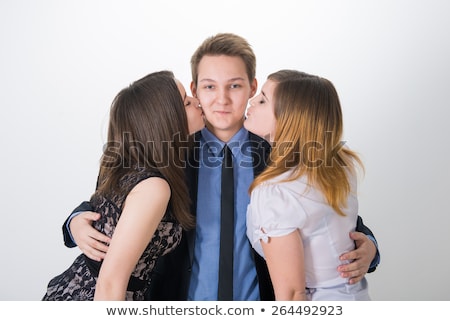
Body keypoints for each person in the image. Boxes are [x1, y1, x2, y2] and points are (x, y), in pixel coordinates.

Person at [62, 33, 379, 301]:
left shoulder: (283, 150)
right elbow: (113, 199)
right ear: (194, 89)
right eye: (210, 87)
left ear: (253, 87)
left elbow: (323, 211)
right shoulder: (164, 151)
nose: (222, 99)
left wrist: (369, 247)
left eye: (235, 86)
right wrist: (75, 222)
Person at [43, 70, 195, 300]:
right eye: (187, 102)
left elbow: (104, 214)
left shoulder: (124, 162)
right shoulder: (153, 186)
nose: (198, 102)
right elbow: (110, 283)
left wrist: (76, 220)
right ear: (166, 119)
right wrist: (75, 222)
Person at [245, 69, 372, 300]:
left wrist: (371, 246)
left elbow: (293, 295)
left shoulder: (275, 191)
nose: (251, 100)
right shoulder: (340, 162)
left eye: (262, 99)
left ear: (288, 120)